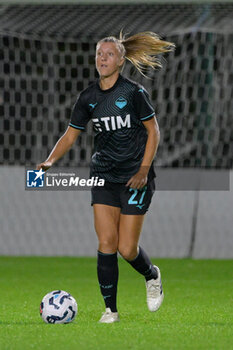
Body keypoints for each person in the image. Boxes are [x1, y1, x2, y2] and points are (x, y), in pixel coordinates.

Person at [37, 31, 175, 323]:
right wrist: (49, 161)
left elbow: (154, 132)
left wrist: (142, 170)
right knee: (106, 243)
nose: (102, 58)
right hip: (102, 176)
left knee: (127, 249)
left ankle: (151, 275)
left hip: (135, 177)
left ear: (121, 60)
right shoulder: (87, 97)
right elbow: (70, 135)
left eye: (109, 54)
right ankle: (110, 310)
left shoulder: (134, 93)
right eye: (99, 53)